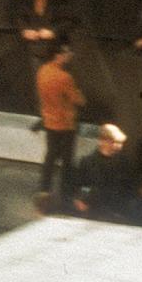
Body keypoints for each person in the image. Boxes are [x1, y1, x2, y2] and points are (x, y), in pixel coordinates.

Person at [34, 44, 86, 211]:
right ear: (58, 55)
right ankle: (65, 194)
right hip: (66, 124)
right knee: (66, 161)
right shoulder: (64, 77)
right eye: (67, 52)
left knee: (50, 157)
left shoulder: (42, 71)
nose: (70, 55)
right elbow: (78, 100)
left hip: (49, 122)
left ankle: (44, 189)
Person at [70, 124, 136, 220]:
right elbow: (77, 185)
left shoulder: (125, 163)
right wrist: (79, 200)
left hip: (117, 213)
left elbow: (130, 187)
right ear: (102, 141)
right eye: (114, 142)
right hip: (93, 211)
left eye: (120, 143)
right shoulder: (87, 162)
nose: (118, 146)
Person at [14, 0, 64, 70]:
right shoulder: (27, 0)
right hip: (36, 50)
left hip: (57, 51)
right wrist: (25, 30)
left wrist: (53, 32)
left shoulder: (59, 0)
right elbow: (21, 17)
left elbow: (70, 21)